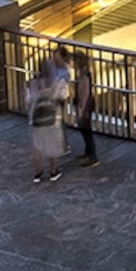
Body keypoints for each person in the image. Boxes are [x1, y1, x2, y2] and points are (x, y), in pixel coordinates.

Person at [26, 55, 70, 183]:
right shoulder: (57, 83)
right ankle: (53, 171)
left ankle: (37, 173)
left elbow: (28, 100)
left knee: (37, 147)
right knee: (52, 145)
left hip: (35, 119)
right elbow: (63, 96)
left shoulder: (32, 84)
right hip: (53, 119)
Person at [66, 47, 99, 166]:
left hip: (85, 106)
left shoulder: (84, 76)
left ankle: (92, 155)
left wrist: (82, 109)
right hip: (83, 105)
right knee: (84, 129)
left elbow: (85, 94)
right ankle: (88, 151)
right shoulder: (83, 73)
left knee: (86, 130)